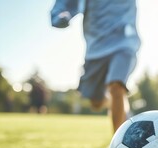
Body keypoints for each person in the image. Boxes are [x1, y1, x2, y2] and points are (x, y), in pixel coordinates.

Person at [51, 0, 140, 132]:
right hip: (95, 49)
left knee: (116, 86)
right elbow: (64, 6)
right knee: (96, 103)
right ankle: (115, 103)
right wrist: (60, 16)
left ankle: (118, 144)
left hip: (124, 42)